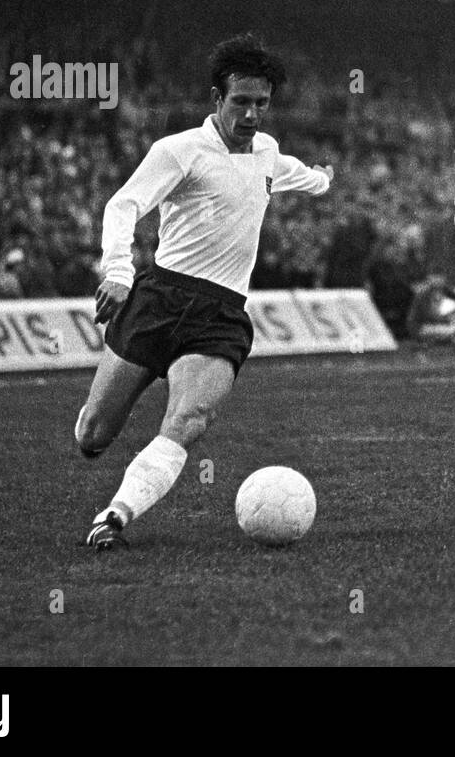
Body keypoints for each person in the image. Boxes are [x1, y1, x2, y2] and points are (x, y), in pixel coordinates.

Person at [77, 34, 334, 550]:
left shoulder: (268, 153)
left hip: (219, 315)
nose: (252, 114)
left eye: (261, 103)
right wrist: (119, 272)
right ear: (217, 99)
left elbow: (300, 176)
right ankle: (105, 438)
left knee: (189, 419)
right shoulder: (178, 152)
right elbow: (123, 205)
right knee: (93, 436)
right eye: (241, 102)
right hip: (158, 300)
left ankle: (117, 514)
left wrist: (323, 179)